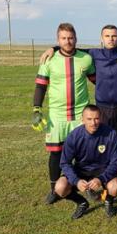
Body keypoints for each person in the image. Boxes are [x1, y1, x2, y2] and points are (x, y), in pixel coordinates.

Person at [39, 25, 117, 153]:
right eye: (107, 36)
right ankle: (105, 167)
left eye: (114, 36)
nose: (111, 39)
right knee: (103, 144)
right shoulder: (93, 53)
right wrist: (53, 48)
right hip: (102, 107)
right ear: (101, 38)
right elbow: (69, 48)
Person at [32, 23, 95, 205]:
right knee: (56, 154)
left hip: (80, 115)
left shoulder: (86, 59)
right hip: (57, 116)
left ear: (76, 38)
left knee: (83, 154)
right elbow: (41, 86)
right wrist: (36, 108)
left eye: (71, 38)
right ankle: (54, 190)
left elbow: (97, 80)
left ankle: (87, 187)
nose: (67, 41)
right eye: (63, 38)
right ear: (58, 40)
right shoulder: (49, 60)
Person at [54, 105, 117, 219]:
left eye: (96, 119)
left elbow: (116, 162)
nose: (93, 123)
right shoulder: (74, 136)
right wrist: (76, 181)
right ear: (82, 119)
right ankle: (81, 202)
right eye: (89, 119)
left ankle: (108, 201)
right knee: (60, 187)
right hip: (82, 170)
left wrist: (101, 179)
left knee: (114, 187)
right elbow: (65, 163)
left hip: (102, 170)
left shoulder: (111, 133)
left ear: (100, 118)